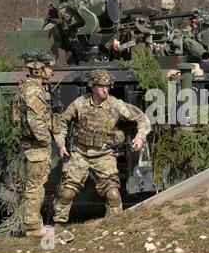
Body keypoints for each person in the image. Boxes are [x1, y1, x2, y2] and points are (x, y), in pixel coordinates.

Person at [52, 69, 151, 230]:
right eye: (101, 86)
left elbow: (141, 119)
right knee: (66, 192)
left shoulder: (115, 105)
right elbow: (62, 122)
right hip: (80, 153)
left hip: (104, 154)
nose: (105, 90)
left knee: (113, 194)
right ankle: (58, 226)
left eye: (108, 86)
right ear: (93, 86)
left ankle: (115, 227)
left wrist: (140, 137)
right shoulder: (80, 103)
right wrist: (61, 144)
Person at [13, 50, 55, 237]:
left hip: (30, 146)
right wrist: (47, 140)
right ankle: (33, 227)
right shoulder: (33, 90)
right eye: (48, 66)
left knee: (33, 186)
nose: (51, 70)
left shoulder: (27, 88)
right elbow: (36, 122)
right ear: (39, 68)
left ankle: (32, 225)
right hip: (36, 148)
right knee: (35, 187)